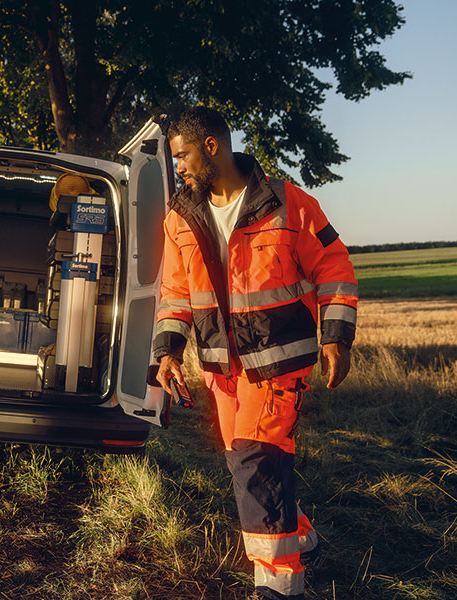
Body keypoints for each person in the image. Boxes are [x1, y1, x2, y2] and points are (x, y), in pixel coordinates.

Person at [154, 107, 357, 600]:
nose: (177, 167)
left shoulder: (287, 202)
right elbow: (175, 291)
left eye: (181, 155)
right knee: (248, 458)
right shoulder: (180, 215)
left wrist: (336, 335)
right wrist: (168, 351)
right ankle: (299, 535)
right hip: (221, 366)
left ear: (211, 147)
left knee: (255, 458)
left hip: (279, 360)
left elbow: (334, 266)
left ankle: (280, 582)